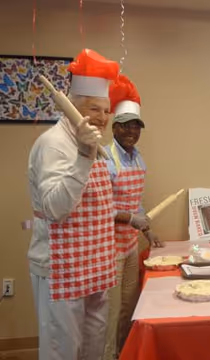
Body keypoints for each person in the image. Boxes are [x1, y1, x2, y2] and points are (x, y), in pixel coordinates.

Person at [27, 49, 119, 360]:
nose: (103, 118)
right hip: (60, 266)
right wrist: (82, 156)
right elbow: (55, 209)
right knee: (63, 351)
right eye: (94, 109)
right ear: (72, 107)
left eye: (106, 111)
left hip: (93, 263)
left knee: (93, 346)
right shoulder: (54, 144)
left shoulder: (93, 142)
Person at [103, 74, 163, 360]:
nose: (131, 131)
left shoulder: (138, 159)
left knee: (129, 306)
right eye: (125, 126)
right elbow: (100, 209)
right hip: (107, 248)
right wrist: (130, 219)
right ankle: (107, 355)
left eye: (135, 126)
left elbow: (135, 201)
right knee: (111, 310)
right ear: (114, 127)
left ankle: (124, 354)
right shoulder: (105, 159)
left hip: (129, 247)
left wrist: (147, 231)